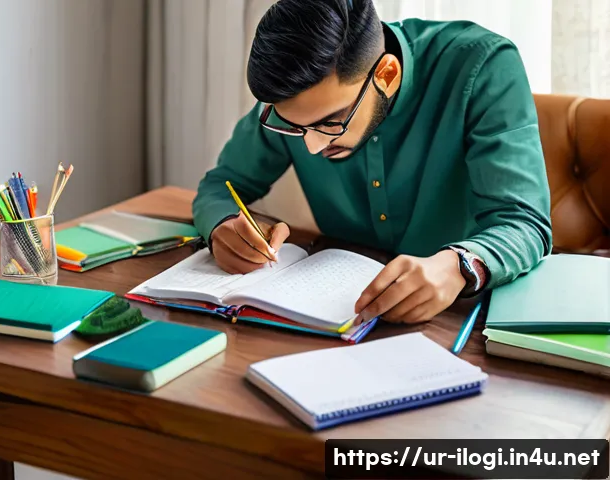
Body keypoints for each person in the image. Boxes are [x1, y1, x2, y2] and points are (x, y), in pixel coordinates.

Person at [192, 0, 552, 325]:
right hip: (334, 318)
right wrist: (222, 226)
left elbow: (525, 222)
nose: (313, 146)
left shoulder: (483, 65)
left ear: (387, 75)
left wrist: (460, 265)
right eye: (295, 127)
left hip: (458, 320)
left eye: (330, 122)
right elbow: (220, 186)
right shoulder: (293, 103)